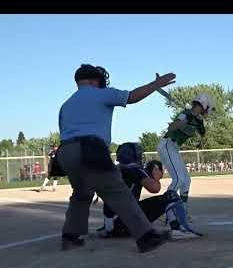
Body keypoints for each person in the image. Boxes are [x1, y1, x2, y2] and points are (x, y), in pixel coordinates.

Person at [56, 64, 175, 252]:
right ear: (95, 80)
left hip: (65, 153)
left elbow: (64, 133)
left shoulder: (66, 105)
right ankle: (146, 236)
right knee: (118, 191)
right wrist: (156, 84)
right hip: (90, 149)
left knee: (81, 193)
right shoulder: (101, 93)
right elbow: (132, 97)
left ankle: (70, 237)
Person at [97, 143, 202, 240]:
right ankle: (178, 229)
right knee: (171, 196)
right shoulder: (134, 170)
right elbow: (155, 189)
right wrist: (156, 177)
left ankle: (109, 228)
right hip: (126, 224)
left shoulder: (114, 170)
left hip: (112, 225)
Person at [157, 93, 215, 224]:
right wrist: (184, 121)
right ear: (204, 107)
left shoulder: (197, 119)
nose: (208, 112)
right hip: (167, 145)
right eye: (208, 109)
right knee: (178, 180)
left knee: (186, 180)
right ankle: (162, 211)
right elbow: (171, 127)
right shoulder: (185, 114)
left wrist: (199, 122)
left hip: (174, 148)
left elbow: (203, 134)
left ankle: (182, 211)